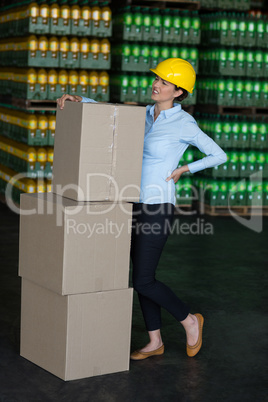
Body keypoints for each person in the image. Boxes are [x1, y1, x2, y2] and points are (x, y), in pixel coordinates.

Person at [57, 58, 227, 361]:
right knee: (139, 275)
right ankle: (154, 341)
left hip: (158, 205)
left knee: (145, 279)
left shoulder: (184, 123)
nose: (156, 84)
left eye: (163, 82)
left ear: (178, 91)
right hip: (131, 202)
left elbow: (218, 154)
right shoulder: (146, 114)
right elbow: (114, 114)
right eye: (156, 79)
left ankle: (189, 320)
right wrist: (82, 100)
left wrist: (184, 168)